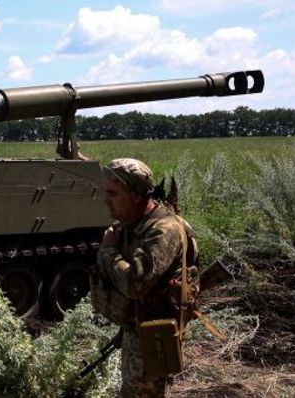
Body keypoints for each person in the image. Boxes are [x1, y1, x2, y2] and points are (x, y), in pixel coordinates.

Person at [89, 158, 197, 398]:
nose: (106, 200)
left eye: (112, 193)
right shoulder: (135, 223)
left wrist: (108, 251)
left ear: (136, 196)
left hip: (153, 337)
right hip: (139, 329)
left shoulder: (163, 231)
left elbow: (135, 284)